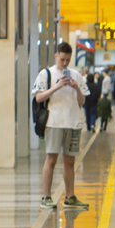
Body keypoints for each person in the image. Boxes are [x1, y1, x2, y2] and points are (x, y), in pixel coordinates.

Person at [32, 42, 91, 210]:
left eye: (68, 60)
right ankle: (46, 197)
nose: (65, 63)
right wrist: (57, 86)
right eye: (62, 59)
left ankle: (70, 197)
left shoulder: (76, 75)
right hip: (54, 122)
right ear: (56, 56)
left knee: (70, 162)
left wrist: (76, 87)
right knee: (51, 159)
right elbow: (38, 98)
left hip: (73, 123)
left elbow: (82, 102)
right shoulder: (46, 74)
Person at [83, 62, 102, 132]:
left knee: (87, 114)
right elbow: (98, 93)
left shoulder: (85, 85)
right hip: (94, 102)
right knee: (93, 113)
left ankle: (88, 127)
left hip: (86, 102)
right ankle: (93, 124)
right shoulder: (95, 85)